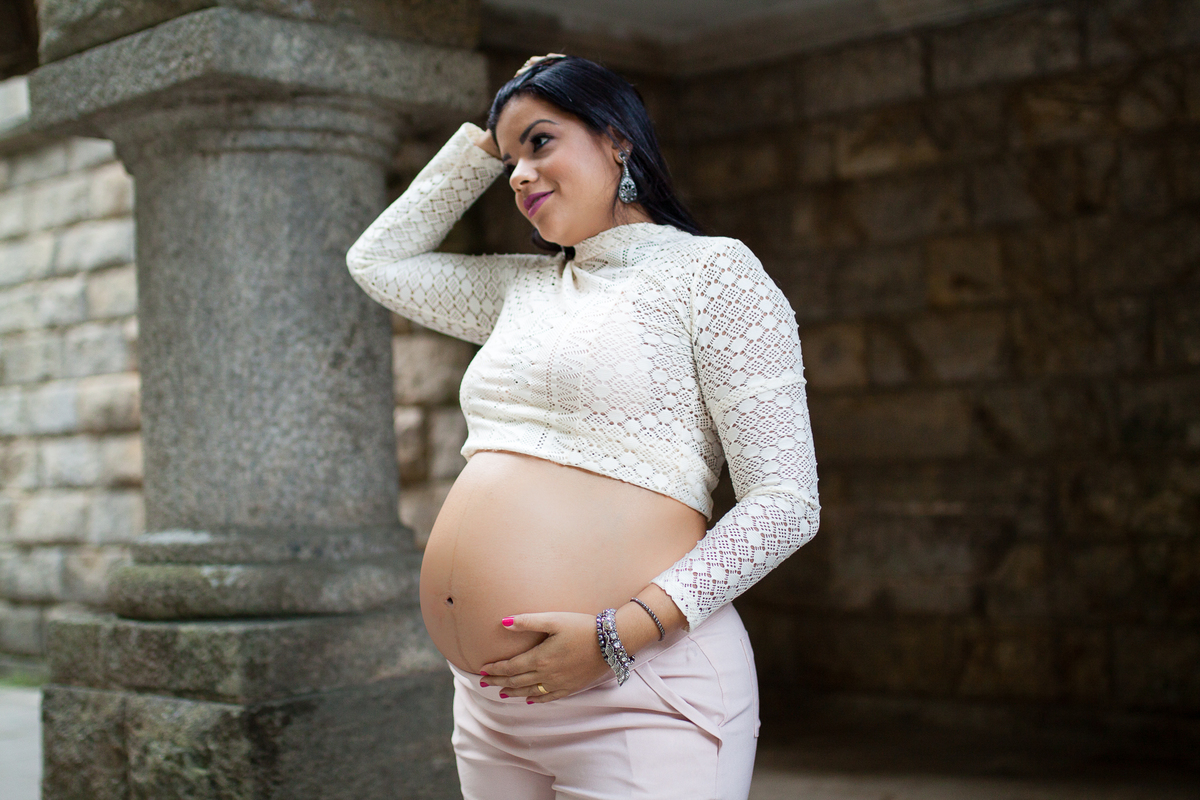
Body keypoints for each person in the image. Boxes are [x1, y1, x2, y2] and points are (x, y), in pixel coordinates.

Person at [345, 53, 820, 800]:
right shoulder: (520, 289)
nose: (519, 176)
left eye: (540, 142)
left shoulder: (713, 273)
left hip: (641, 690)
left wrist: (618, 636)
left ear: (616, 139)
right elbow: (378, 262)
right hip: (493, 706)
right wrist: (487, 133)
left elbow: (786, 502)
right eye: (508, 162)